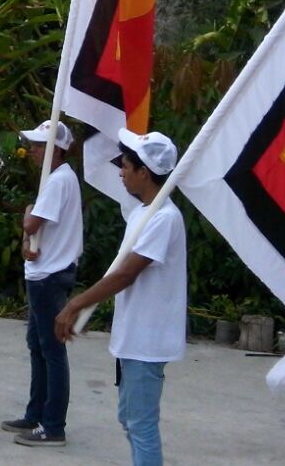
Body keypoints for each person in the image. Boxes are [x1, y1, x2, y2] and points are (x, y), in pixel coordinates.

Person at [56, 129, 186, 466]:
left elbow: (127, 274)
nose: (121, 171)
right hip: (132, 338)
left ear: (144, 172)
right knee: (130, 421)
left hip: (148, 341)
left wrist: (75, 303)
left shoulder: (164, 218)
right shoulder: (143, 211)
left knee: (141, 426)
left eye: (126, 166)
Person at [6, 120, 83, 448]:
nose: (35, 150)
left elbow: (31, 220)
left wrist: (27, 218)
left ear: (58, 149)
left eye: (41, 145)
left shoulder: (58, 181)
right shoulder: (59, 180)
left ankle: (53, 425)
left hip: (49, 276)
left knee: (50, 349)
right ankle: (37, 413)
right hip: (46, 272)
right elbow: (34, 227)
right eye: (36, 144)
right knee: (39, 346)